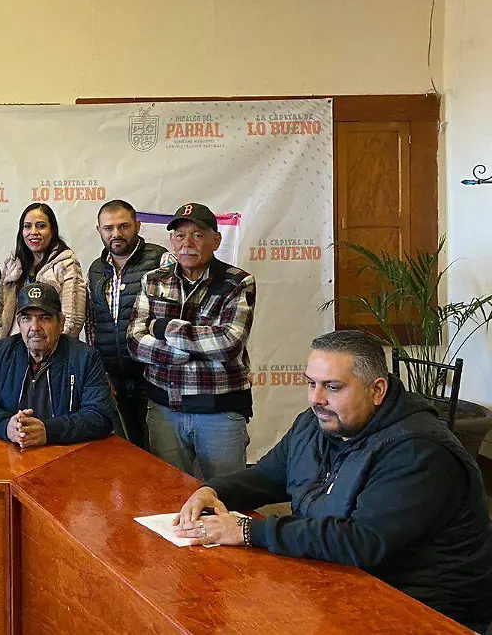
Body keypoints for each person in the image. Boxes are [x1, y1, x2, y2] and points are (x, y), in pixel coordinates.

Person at [173, 331, 492, 633]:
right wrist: (213, 490)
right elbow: (266, 476)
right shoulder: (315, 423)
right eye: (311, 383)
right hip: (340, 582)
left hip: (423, 609)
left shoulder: (419, 450)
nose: (316, 398)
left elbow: (362, 541)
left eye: (333, 387)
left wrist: (247, 531)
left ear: (377, 390)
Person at [127, 202, 256, 480]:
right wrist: (187, 351)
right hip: (164, 410)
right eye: (180, 235)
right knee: (169, 495)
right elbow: (135, 342)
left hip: (220, 412)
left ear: (216, 240)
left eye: (197, 235)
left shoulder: (237, 283)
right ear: (171, 241)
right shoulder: (153, 281)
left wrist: (164, 327)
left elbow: (228, 343)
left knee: (226, 496)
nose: (187, 243)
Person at [0, 283, 115, 447]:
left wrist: (49, 431)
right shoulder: (0, 353)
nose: (35, 327)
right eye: (27, 318)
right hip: (10, 451)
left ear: (61, 323)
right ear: (18, 323)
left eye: (44, 318)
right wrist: (6, 426)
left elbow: (100, 415)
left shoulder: (85, 357)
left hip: (64, 453)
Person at [85, 199, 175, 451]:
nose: (116, 234)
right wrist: (100, 372)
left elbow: (175, 318)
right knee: (125, 456)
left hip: (154, 378)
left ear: (137, 225)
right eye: (108, 228)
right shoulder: (96, 269)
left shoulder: (161, 260)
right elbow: (92, 325)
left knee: (161, 456)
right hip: (113, 381)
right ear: (99, 230)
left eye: (123, 226)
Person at [0, 202, 85, 340]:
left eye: (41, 226)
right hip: (14, 348)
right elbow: (1, 316)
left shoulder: (66, 264)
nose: (33, 232)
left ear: (52, 230)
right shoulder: (12, 265)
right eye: (27, 226)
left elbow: (72, 321)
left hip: (52, 348)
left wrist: (48, 348)